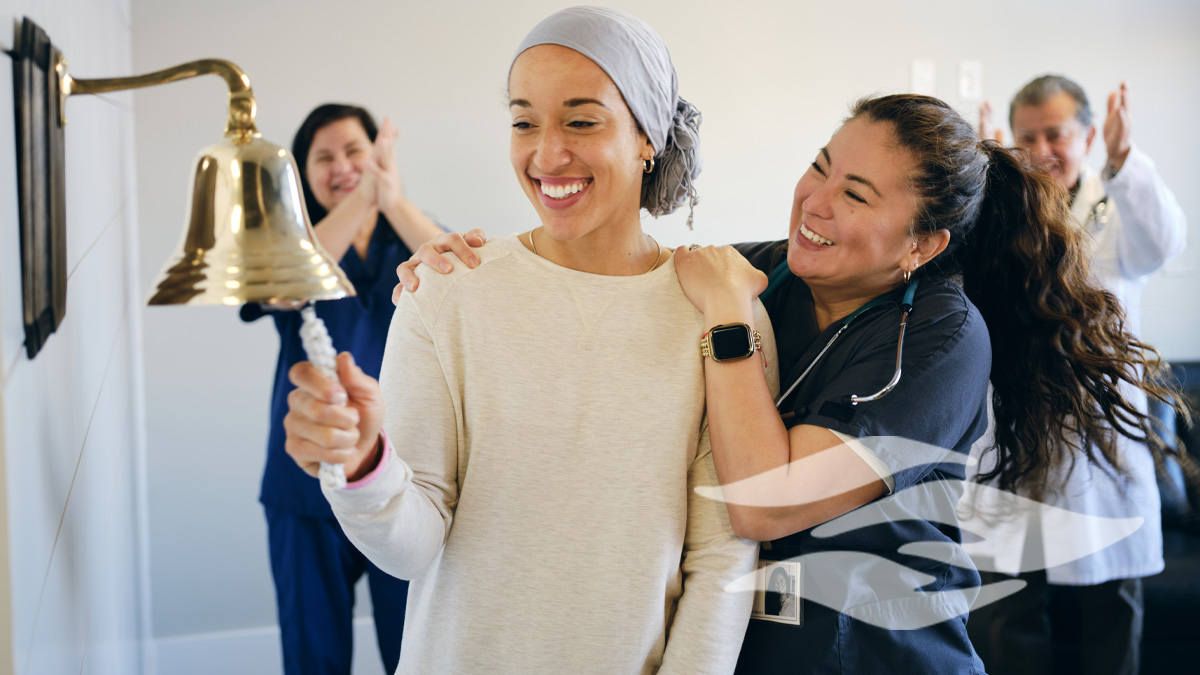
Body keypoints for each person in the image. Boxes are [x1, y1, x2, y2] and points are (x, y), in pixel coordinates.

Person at [401, 93, 1190, 674]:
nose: (814, 201)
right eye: (821, 165)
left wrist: (728, 323)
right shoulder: (772, 270)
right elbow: (618, 276)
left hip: (877, 656)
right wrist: (455, 266)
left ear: (921, 242)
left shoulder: (945, 338)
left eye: (855, 194)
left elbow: (765, 500)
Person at [281, 7, 769, 674]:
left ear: (647, 136)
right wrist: (364, 462)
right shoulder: (448, 290)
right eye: (522, 121)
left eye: (580, 120)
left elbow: (720, 558)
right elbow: (411, 547)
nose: (546, 154)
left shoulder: (715, 311)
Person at [968, 75, 1188, 675]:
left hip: (1101, 444)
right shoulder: (1002, 217)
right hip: (1018, 430)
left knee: (1111, 610)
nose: (1042, 149)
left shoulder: (1118, 208)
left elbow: (1167, 241)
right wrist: (993, 177)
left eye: (1056, 133)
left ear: (1088, 134)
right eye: (1025, 137)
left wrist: (1123, 158)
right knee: (1009, 610)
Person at [239, 103, 444, 675]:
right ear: (303, 175)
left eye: (355, 151)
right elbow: (283, 282)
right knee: (313, 657)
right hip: (305, 488)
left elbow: (471, 285)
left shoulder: (414, 236)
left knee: (413, 652)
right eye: (323, 157)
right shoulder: (291, 245)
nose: (343, 166)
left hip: (398, 483)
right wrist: (363, 197)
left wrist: (391, 198)